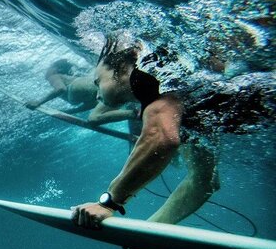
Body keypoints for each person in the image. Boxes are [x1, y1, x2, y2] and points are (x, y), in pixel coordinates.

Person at [71, 38, 274, 228]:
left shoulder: (148, 76)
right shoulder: (183, 107)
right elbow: (204, 182)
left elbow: (161, 139)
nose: (97, 95)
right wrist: (152, 230)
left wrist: (107, 203)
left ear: (123, 66)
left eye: (98, 82)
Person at [25, 52, 139, 126]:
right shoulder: (75, 80)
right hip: (106, 92)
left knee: (93, 119)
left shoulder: (54, 76)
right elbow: (91, 103)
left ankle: (138, 114)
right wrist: (71, 112)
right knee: (94, 118)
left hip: (103, 89)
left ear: (56, 69)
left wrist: (38, 102)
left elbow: (60, 89)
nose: (46, 72)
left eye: (49, 68)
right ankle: (137, 113)